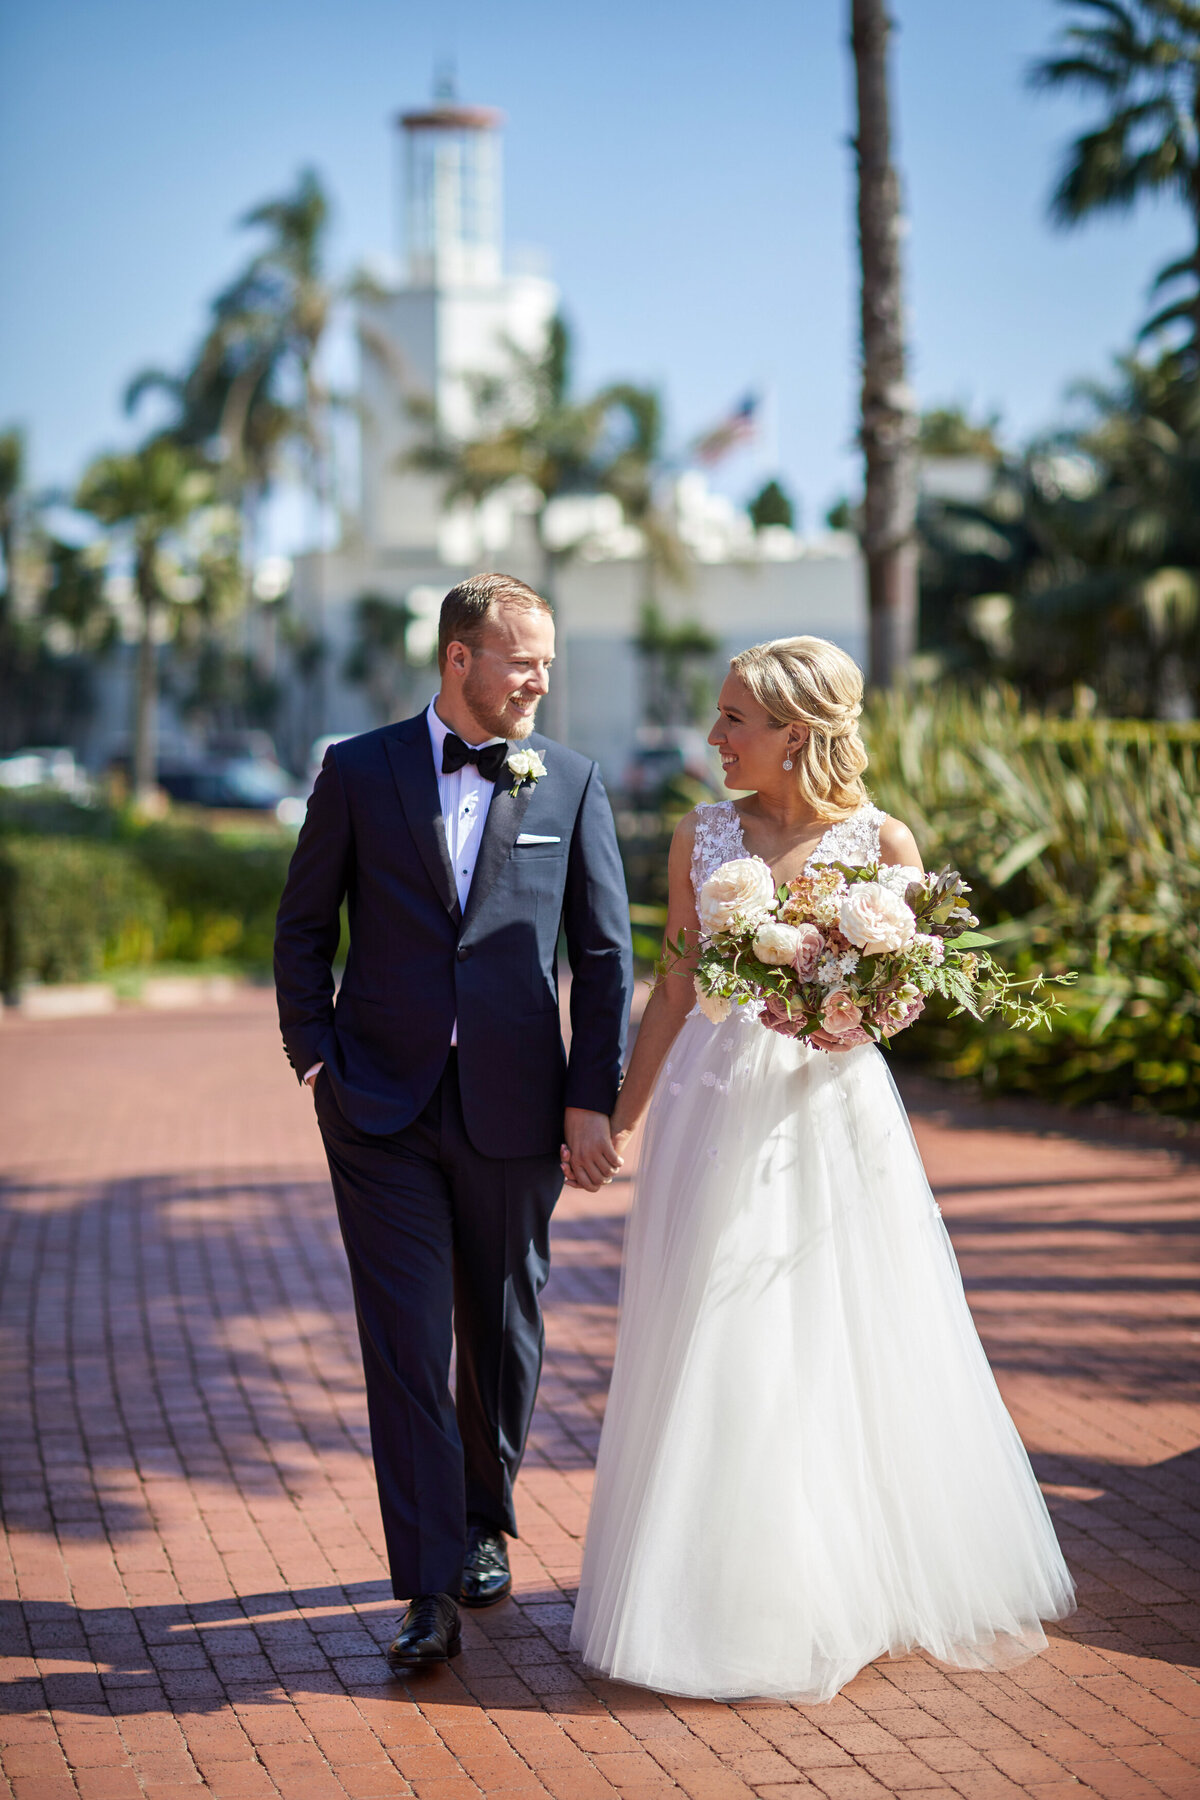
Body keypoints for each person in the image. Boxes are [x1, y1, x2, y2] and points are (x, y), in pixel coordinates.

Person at [569, 635, 1074, 1703]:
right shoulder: (701, 836)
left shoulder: (883, 842)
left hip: (830, 1114)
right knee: (719, 1332)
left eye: (733, 721)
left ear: (795, 732)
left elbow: (903, 1000)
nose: (713, 739)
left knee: (838, 1332)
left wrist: (855, 1007)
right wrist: (618, 1116)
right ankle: (718, 1587)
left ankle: (841, 1577)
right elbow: (670, 986)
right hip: (714, 1111)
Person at [275, 573, 632, 1670]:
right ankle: (425, 1583)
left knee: (503, 1328)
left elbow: (606, 955)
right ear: (458, 658)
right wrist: (316, 1056)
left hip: (520, 1113)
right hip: (379, 1107)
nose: (539, 680)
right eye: (521, 659)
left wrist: (589, 1099)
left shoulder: (570, 780)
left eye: (548, 663)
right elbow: (303, 926)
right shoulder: (358, 769)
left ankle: (486, 1519)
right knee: (406, 1344)